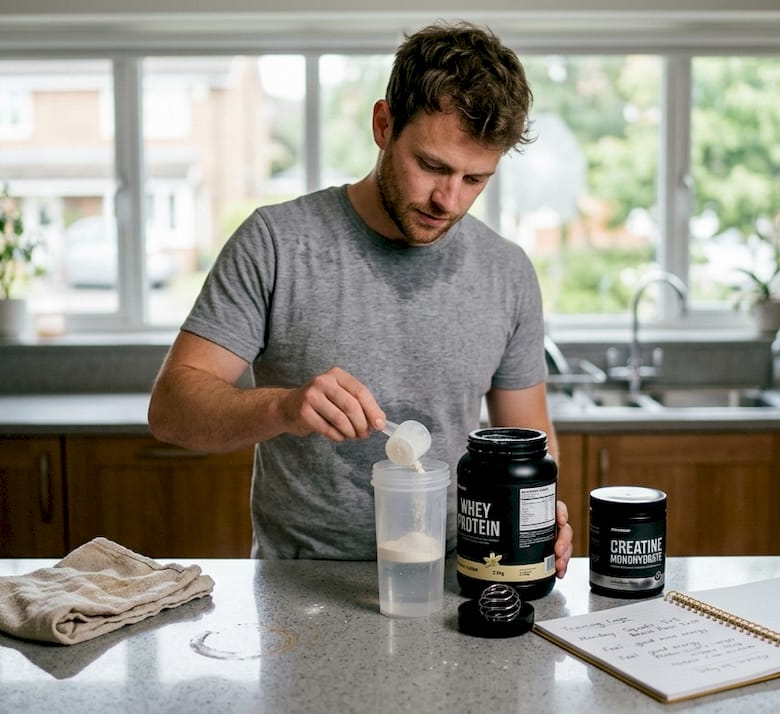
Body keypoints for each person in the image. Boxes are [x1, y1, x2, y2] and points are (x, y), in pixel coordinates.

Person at [148, 21, 572, 576]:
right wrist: (283, 407)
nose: (448, 200)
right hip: (299, 587)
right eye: (432, 166)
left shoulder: (507, 272)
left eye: (475, 179)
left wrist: (539, 513)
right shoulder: (276, 244)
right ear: (383, 124)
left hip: (454, 577)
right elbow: (171, 410)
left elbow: (529, 438)